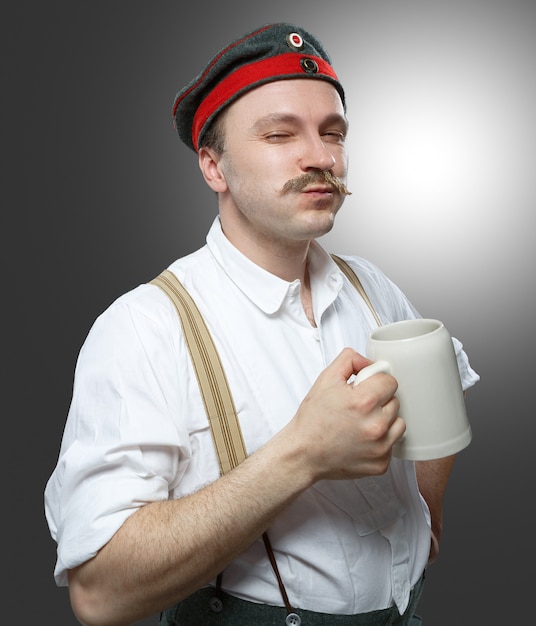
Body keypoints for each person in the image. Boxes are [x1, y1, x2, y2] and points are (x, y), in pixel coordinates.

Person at [45, 22, 480, 626]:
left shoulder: (372, 288)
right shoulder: (145, 328)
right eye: (280, 134)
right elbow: (100, 594)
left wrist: (425, 522)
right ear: (213, 167)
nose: (320, 157)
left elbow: (446, 380)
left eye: (333, 134)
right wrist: (301, 455)